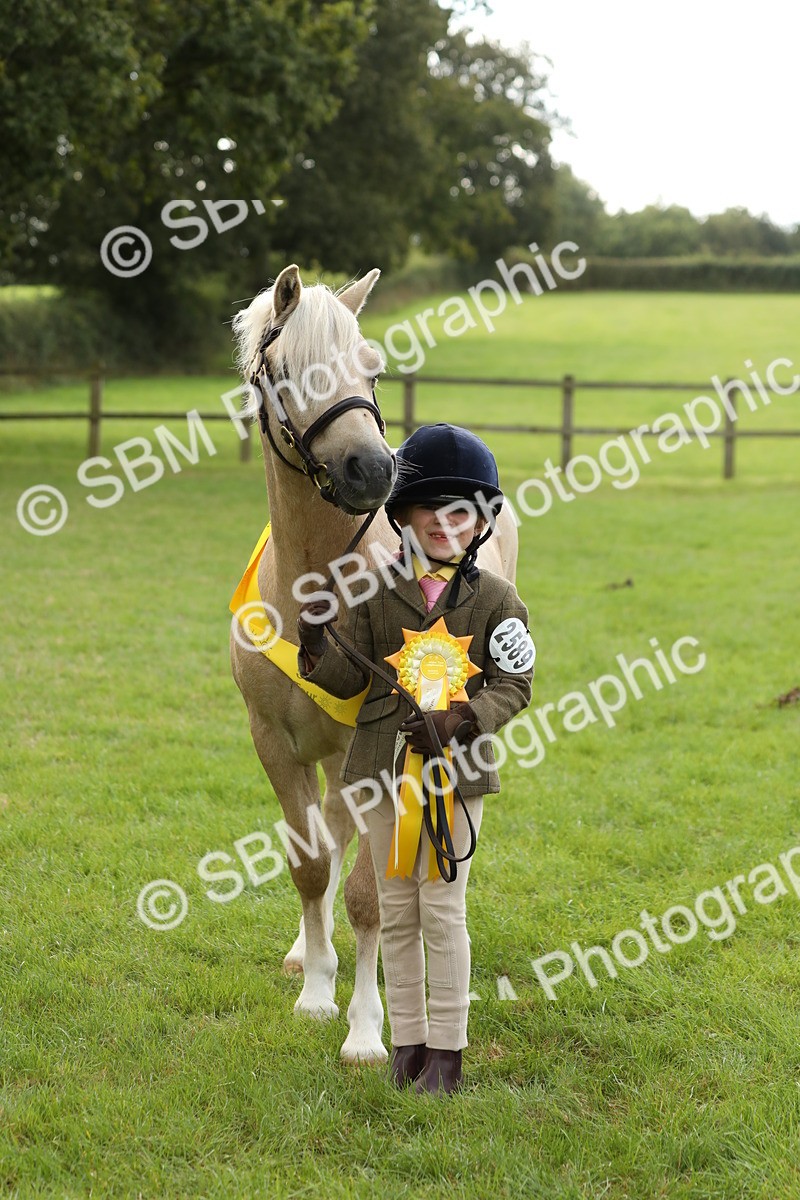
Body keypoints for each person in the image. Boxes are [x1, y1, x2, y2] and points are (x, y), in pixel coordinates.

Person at [296, 423, 535, 1096]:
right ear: (401, 515)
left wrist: (465, 718)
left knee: (444, 912)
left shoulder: (498, 600)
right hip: (378, 773)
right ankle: (408, 1046)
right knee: (397, 912)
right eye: (429, 505)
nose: (444, 521)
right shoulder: (374, 593)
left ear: (483, 521)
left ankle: (448, 1054)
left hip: (455, 774)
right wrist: (316, 647)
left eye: (462, 508)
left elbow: (516, 682)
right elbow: (351, 682)